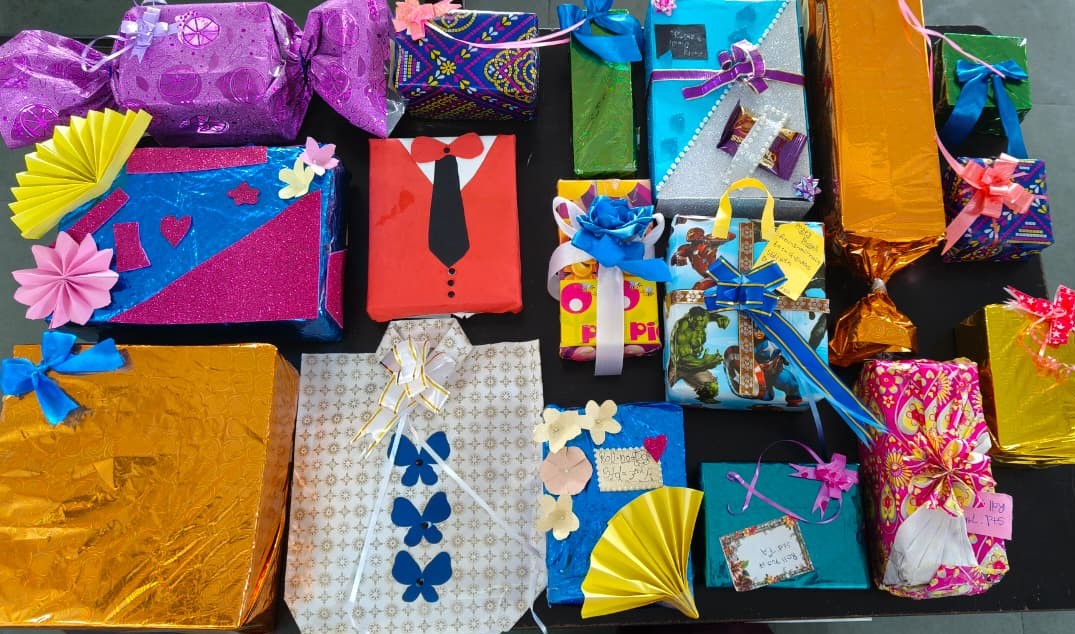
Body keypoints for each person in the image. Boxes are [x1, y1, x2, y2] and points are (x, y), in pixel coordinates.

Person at [668, 306, 730, 403]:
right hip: (677, 366)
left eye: (701, 321)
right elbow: (684, 360)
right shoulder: (682, 329)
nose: (698, 323)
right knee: (664, 388)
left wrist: (718, 317)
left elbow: (708, 315)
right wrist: (705, 363)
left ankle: (704, 404)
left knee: (712, 388)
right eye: (695, 321)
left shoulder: (703, 318)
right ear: (690, 318)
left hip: (694, 366)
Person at [670, 227, 735, 290]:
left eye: (693, 234)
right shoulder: (688, 248)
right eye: (690, 233)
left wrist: (714, 237)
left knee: (699, 288)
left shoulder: (708, 243)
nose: (691, 235)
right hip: (709, 276)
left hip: (718, 275)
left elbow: (732, 235)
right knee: (699, 289)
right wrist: (677, 256)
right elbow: (677, 256)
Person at [752, 328, 803, 406]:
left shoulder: (776, 341)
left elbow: (786, 353)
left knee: (787, 378)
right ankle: (766, 393)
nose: (759, 333)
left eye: (761, 330)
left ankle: (793, 399)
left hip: (776, 370)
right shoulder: (756, 345)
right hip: (761, 373)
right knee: (766, 396)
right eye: (756, 330)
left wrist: (785, 359)